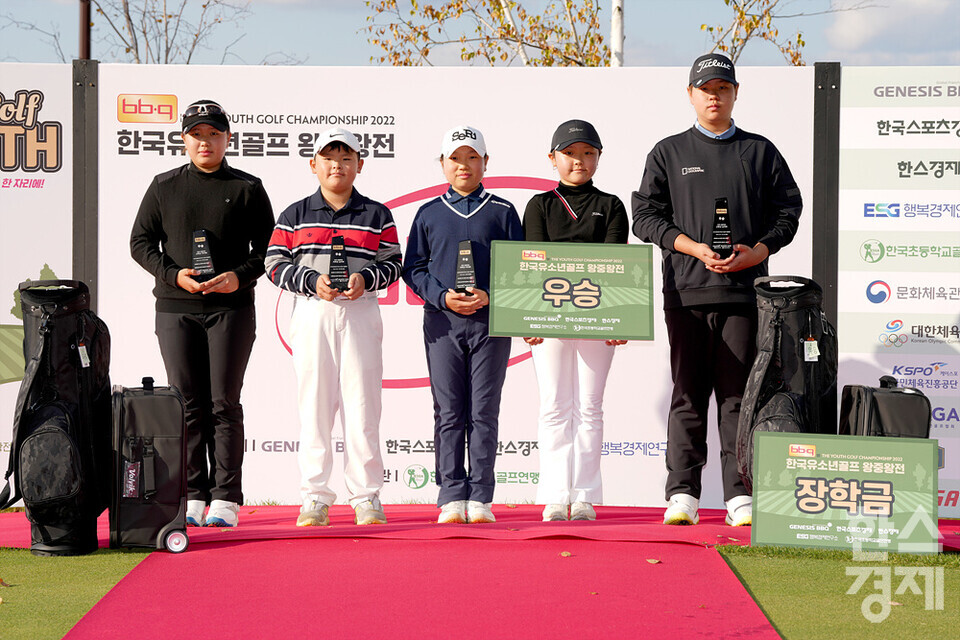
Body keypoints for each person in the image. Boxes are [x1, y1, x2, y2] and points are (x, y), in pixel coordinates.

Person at [632, 54, 802, 527]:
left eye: (722, 87)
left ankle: (737, 494)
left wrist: (758, 251)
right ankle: (682, 493)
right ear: (690, 94)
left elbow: (789, 211)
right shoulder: (668, 152)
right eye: (705, 88)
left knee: (735, 397)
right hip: (685, 293)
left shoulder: (760, 151)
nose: (714, 95)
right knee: (687, 393)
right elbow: (644, 217)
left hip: (745, 294)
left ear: (735, 93)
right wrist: (692, 247)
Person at [130, 99, 275, 528]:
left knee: (223, 403)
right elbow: (140, 243)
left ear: (227, 138)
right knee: (187, 405)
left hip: (230, 309)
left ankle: (226, 498)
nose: (205, 142)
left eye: (214, 134)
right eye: (197, 135)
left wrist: (239, 276)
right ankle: (193, 494)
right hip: (176, 310)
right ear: (184, 140)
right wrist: (174, 276)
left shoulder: (248, 186)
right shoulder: (164, 186)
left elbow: (270, 251)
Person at [265, 127, 401, 527]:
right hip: (312, 312)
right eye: (328, 158)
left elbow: (394, 262)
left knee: (363, 407)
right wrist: (310, 282)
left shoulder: (377, 214)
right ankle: (315, 497)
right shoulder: (294, 214)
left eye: (346, 159)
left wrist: (366, 279)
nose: (337, 166)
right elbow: (274, 264)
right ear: (314, 165)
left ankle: (367, 497)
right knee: (315, 407)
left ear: (359, 165)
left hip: (360, 310)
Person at [403, 125, 523, 524]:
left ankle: (482, 497)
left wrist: (490, 293)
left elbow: (521, 268)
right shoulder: (429, 213)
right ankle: (451, 494)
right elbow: (413, 269)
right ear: (442, 164)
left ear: (486, 162)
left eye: (472, 157)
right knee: (449, 411)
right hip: (442, 325)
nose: (464, 165)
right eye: (455, 158)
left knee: (484, 411)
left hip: (492, 323)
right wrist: (441, 296)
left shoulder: (504, 211)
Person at [522, 120, 628, 522]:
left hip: (597, 317)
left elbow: (615, 267)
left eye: (588, 153)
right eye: (570, 153)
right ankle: (553, 493)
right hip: (548, 317)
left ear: (599, 158)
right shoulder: (540, 205)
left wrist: (619, 320)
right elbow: (532, 266)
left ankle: (583, 494)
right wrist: (529, 318)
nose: (579, 161)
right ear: (553, 159)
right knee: (553, 405)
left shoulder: (612, 205)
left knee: (590, 406)